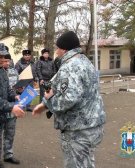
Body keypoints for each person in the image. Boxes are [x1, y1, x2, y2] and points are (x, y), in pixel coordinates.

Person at [32, 31, 106, 168]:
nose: (56, 52)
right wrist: (44, 104)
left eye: (57, 48)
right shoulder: (85, 62)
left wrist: (48, 102)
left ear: (64, 49)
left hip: (78, 130)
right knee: (86, 163)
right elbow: (59, 86)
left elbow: (69, 99)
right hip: (92, 126)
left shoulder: (70, 66)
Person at [1, 50, 20, 164]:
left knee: (10, 132)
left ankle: (8, 154)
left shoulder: (14, 71)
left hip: (13, 106)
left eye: (9, 61)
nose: (8, 63)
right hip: (0, 107)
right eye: (5, 61)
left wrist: (20, 89)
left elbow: (17, 85)